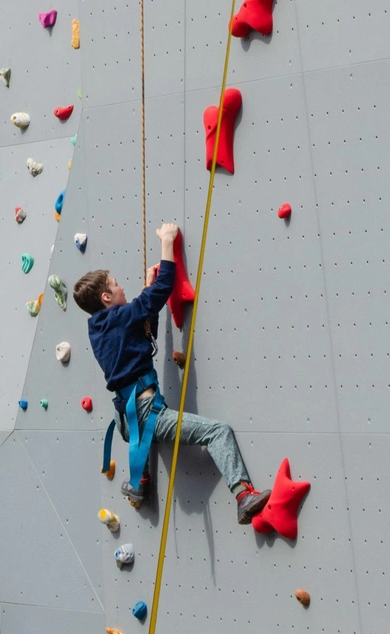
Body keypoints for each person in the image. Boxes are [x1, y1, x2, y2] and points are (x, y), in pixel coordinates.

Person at [73, 222, 271, 521]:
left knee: (144, 436)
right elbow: (163, 290)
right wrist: (167, 241)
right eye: (115, 285)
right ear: (106, 298)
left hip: (126, 418)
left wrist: (146, 290)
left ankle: (139, 483)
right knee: (219, 431)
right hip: (147, 412)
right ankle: (243, 496)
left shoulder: (98, 329)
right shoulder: (123, 317)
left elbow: (135, 325)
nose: (121, 286)